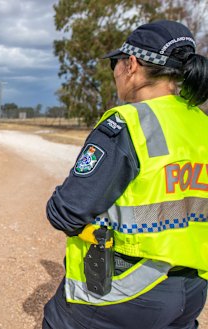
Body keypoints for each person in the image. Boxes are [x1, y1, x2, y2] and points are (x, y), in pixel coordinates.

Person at [42, 20, 208, 329]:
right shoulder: (201, 123)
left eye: (114, 66)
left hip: (128, 287)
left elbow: (66, 212)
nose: (115, 74)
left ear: (131, 64)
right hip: (192, 289)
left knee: (59, 319)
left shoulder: (128, 123)